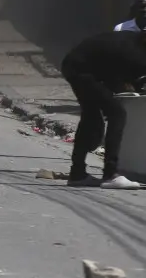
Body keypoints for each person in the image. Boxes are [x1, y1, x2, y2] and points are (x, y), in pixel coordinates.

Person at [60, 29, 146, 189]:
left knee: (90, 118)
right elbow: (120, 79)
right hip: (82, 70)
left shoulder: (133, 42)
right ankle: (110, 174)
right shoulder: (132, 51)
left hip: (78, 67)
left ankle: (77, 174)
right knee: (117, 113)